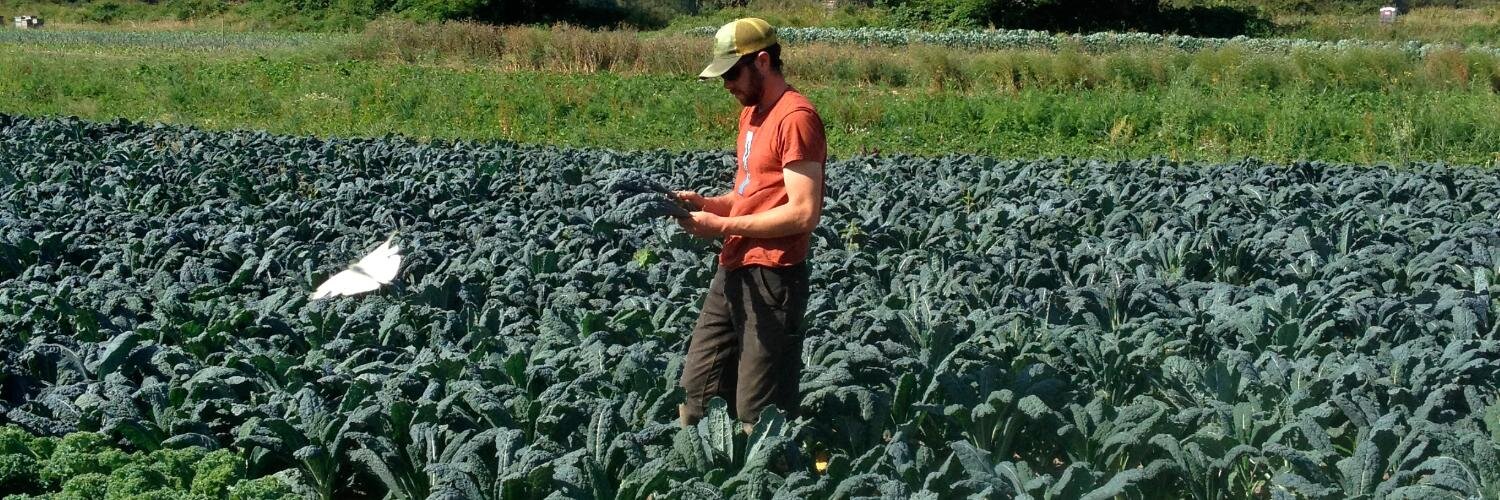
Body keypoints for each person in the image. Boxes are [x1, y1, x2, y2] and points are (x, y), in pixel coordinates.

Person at [673, 18, 828, 433]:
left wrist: (721, 226)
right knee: (695, 395)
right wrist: (708, 204)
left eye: (731, 73)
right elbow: (749, 193)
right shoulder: (752, 115)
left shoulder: (796, 118)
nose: (726, 85)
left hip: (773, 276)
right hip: (734, 268)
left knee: (757, 413)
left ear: (762, 62)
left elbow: (803, 212)